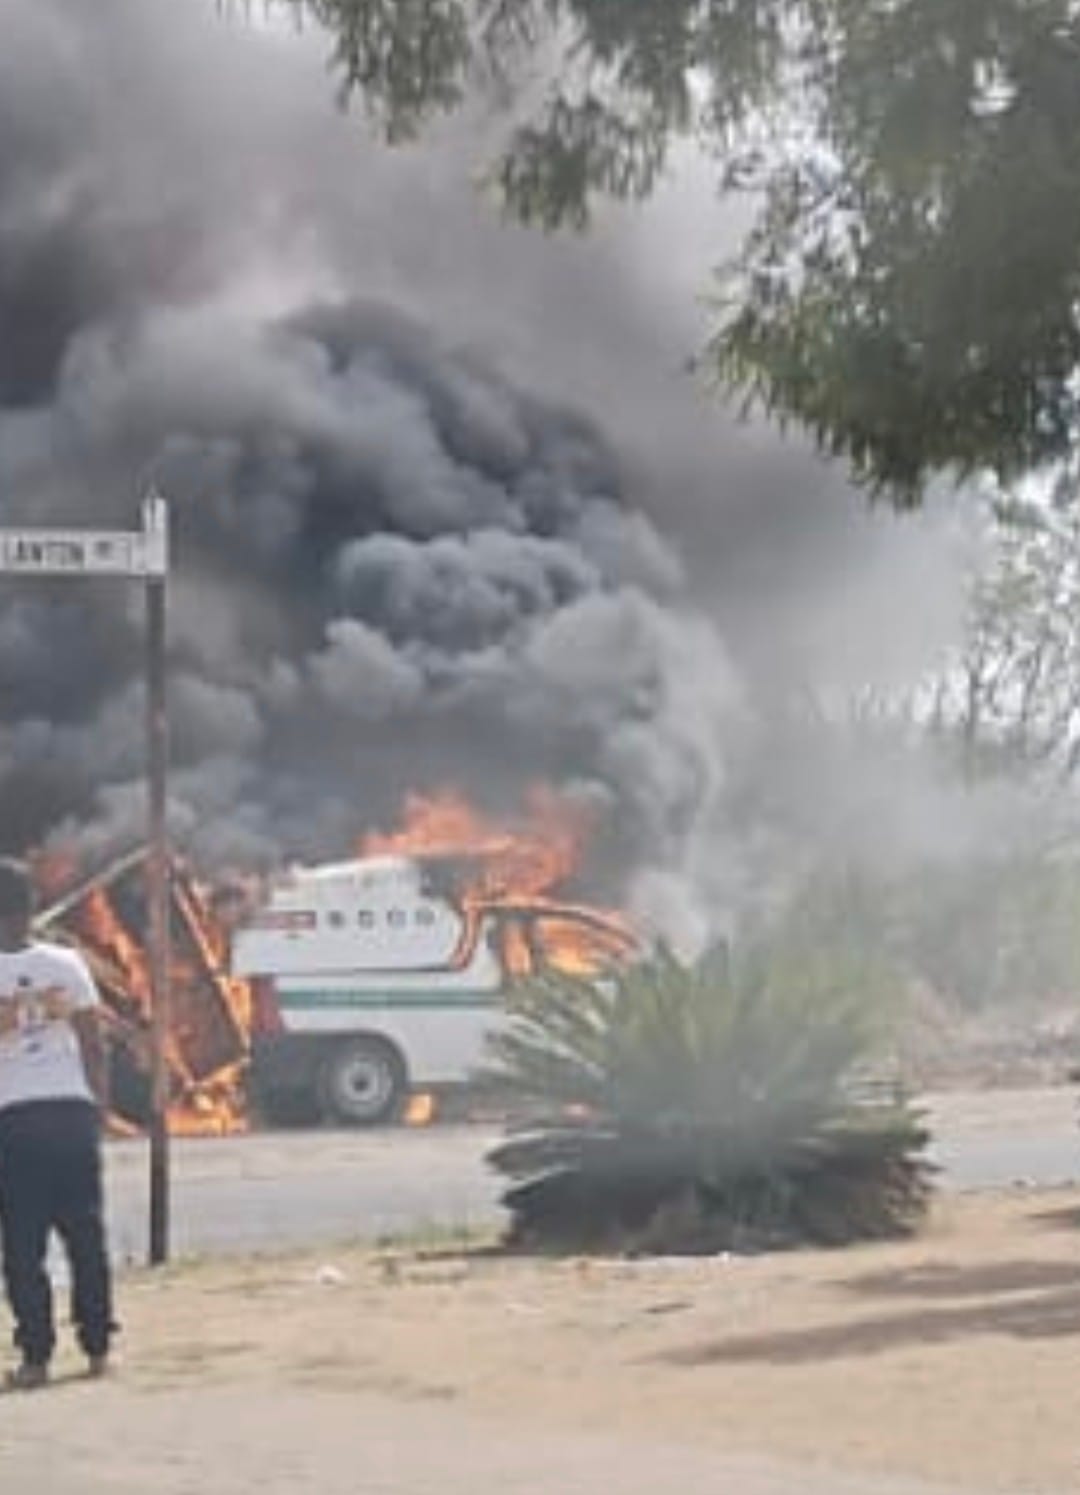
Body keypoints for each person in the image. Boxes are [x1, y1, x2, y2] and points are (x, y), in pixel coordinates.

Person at [0, 856, 115, 1389]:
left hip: (13, 1122)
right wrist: (99, 1107)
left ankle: (36, 1358)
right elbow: (94, 1044)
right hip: (70, 1115)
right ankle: (97, 1349)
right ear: (31, 908)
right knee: (85, 1235)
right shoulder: (66, 965)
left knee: (23, 1245)